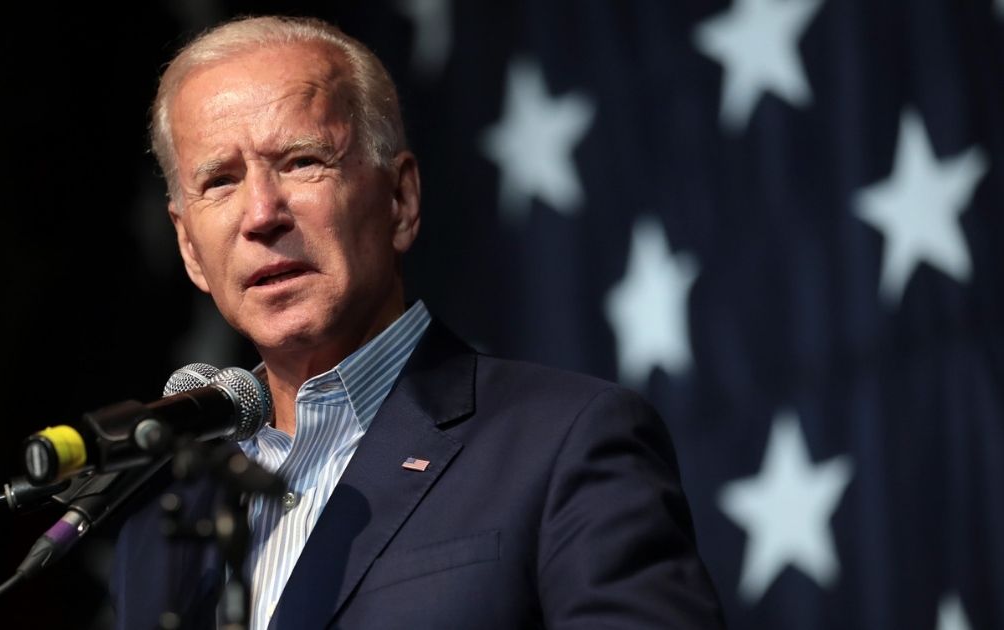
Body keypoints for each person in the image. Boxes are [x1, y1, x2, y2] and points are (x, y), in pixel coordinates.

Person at [110, 14, 727, 630]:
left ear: (400, 200)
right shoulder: (163, 523)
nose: (261, 215)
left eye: (302, 162)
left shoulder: (568, 441)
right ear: (190, 248)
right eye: (220, 181)